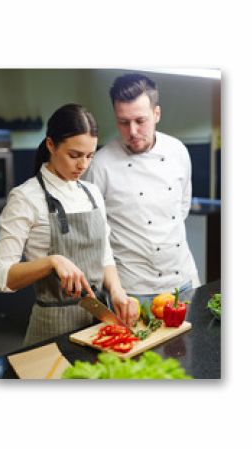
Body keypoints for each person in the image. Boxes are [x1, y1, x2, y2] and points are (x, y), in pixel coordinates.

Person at [0, 104, 138, 346]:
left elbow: (105, 257)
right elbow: (0, 277)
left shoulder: (91, 193)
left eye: (90, 156)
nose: (83, 165)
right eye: (74, 155)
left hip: (98, 323)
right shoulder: (26, 197)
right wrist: (52, 262)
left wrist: (117, 292)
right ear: (51, 145)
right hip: (52, 329)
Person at [85, 73, 200, 304]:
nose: (133, 131)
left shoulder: (177, 151)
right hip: (132, 292)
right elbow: (94, 232)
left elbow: (182, 208)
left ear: (156, 114)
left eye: (140, 120)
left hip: (183, 282)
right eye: (123, 122)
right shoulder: (100, 164)